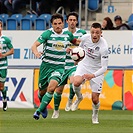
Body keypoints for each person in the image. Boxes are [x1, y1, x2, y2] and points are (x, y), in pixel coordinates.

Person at [31, 13, 79, 120]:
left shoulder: (67, 35)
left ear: (63, 24)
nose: (58, 26)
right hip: (46, 66)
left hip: (59, 67)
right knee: (42, 92)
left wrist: (90, 41)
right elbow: (34, 45)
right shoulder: (47, 34)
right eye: (55, 24)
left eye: (59, 23)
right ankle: (43, 107)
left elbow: (76, 42)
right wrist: (36, 53)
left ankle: (38, 111)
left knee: (52, 88)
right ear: (52, 25)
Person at [51, 12, 86, 119]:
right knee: (58, 91)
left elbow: (86, 48)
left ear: (77, 21)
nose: (72, 22)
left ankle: (71, 99)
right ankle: (56, 111)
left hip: (75, 64)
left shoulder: (82, 33)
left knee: (74, 82)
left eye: (74, 20)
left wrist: (79, 58)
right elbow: (57, 46)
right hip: (62, 64)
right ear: (66, 21)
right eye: (70, 20)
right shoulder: (63, 32)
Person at [72, 22, 108, 124]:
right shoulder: (84, 38)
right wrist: (76, 59)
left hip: (97, 70)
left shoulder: (104, 47)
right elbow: (80, 50)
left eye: (97, 32)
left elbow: (104, 67)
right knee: (76, 82)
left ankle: (95, 115)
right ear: (90, 32)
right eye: (92, 32)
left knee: (95, 99)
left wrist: (92, 75)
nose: (94, 35)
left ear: (101, 33)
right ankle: (79, 97)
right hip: (84, 65)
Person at [0, 21, 14, 111]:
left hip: (2, 66)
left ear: (1, 27)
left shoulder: (5, 39)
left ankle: (4, 99)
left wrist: (3, 55)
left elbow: (12, 50)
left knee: (1, 87)